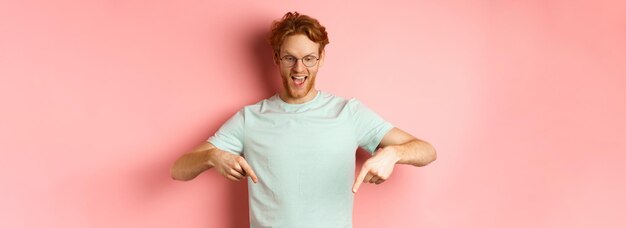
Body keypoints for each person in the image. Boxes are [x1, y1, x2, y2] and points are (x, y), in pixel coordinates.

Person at [170, 11, 436, 228]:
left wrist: (393, 153)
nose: (299, 69)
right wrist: (212, 156)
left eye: (309, 59)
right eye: (290, 58)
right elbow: (178, 169)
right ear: (276, 58)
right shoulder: (250, 118)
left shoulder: (348, 113)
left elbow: (427, 150)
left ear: (321, 59)